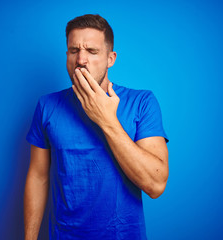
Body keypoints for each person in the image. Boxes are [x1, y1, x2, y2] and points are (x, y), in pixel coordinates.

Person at [24, 14, 169, 240]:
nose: (81, 59)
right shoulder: (47, 106)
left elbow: (156, 184)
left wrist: (106, 119)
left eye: (92, 51)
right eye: (74, 51)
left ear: (111, 58)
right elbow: (38, 176)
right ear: (67, 56)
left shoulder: (142, 103)